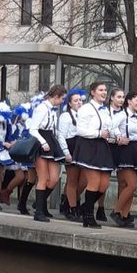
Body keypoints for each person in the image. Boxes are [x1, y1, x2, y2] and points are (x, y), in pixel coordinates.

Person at [71, 80, 115, 228]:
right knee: (94, 182)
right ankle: (88, 217)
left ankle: (85, 207)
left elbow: (109, 127)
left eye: (105, 90)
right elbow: (80, 130)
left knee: (104, 184)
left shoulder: (105, 110)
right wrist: (98, 133)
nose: (104, 93)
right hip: (89, 146)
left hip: (102, 146)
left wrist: (114, 135)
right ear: (93, 92)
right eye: (101, 90)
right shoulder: (86, 109)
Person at [27, 83, 67, 223]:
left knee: (54, 178)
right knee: (43, 178)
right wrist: (43, 142)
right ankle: (39, 211)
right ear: (55, 97)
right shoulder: (42, 108)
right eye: (62, 98)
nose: (62, 102)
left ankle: (39, 203)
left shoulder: (53, 110)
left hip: (51, 140)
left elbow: (55, 130)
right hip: (42, 141)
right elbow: (33, 129)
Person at [110, 91, 137, 227]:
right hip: (124, 151)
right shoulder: (121, 115)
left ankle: (124, 215)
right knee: (131, 185)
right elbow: (110, 126)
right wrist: (119, 136)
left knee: (129, 186)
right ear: (129, 101)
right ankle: (116, 211)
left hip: (135, 149)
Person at [96, 87, 126, 223]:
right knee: (104, 178)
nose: (121, 100)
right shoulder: (104, 111)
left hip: (118, 147)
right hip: (106, 144)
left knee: (122, 179)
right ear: (112, 98)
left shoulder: (125, 113)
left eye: (123, 97)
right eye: (118, 97)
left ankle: (119, 211)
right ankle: (100, 207)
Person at [59, 89, 85, 220]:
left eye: (80, 100)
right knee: (72, 179)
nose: (79, 103)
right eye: (76, 101)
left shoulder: (84, 115)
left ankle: (67, 201)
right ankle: (72, 208)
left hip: (82, 148)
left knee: (84, 180)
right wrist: (66, 152)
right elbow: (61, 136)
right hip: (71, 147)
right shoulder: (65, 116)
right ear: (69, 103)